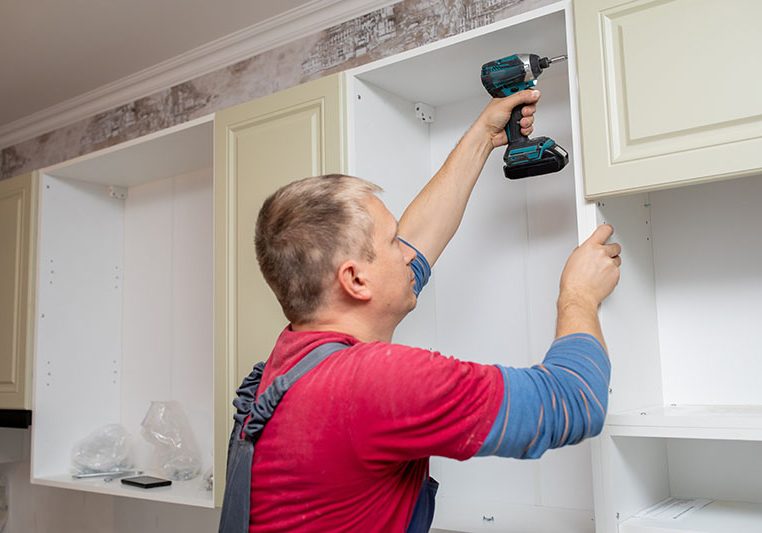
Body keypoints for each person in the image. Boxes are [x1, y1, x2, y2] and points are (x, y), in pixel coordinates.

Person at [219, 89, 622, 533]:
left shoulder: (288, 366)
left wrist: (483, 137)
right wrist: (578, 296)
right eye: (392, 242)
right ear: (355, 280)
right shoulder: (376, 384)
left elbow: (414, 249)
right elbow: (573, 403)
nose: (406, 254)